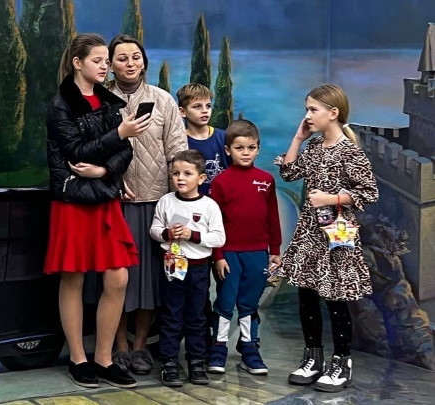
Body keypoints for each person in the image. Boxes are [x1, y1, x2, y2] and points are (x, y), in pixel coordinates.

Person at [44, 33, 148, 389]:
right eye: (98, 61)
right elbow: (75, 152)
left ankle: (104, 358)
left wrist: (104, 170)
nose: (106, 67)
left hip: (104, 196)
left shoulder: (108, 101)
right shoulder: (60, 104)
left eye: (106, 61)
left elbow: (125, 152)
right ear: (77, 62)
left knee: (118, 277)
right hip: (73, 201)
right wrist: (119, 133)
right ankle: (78, 357)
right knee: (72, 276)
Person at [277, 84, 378, 392]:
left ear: (333, 113)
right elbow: (289, 173)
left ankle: (341, 362)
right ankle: (313, 357)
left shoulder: (350, 151)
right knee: (306, 295)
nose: (308, 115)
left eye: (313, 110)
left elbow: (369, 192)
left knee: (335, 299)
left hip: (336, 236)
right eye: (306, 109)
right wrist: (298, 139)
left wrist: (331, 199)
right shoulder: (314, 146)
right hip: (310, 234)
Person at [102, 34, 188, 376]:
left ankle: (140, 346)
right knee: (116, 278)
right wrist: (110, 181)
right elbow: (93, 147)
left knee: (149, 279)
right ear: (110, 64)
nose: (130, 63)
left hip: (155, 203)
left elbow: (177, 151)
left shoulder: (162, 99)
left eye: (135, 57)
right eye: (121, 58)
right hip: (114, 202)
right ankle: (118, 346)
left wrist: (176, 199)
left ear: (144, 61)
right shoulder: (100, 99)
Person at [207, 119, 282, 376]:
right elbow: (213, 223)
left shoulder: (266, 180)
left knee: (249, 303)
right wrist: (218, 255)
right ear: (228, 150)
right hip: (228, 254)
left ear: (258, 149)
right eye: (239, 148)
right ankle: (218, 348)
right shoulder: (221, 182)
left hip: (258, 254)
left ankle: (250, 349)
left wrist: (275, 250)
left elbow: (272, 217)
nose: (246, 153)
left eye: (251, 148)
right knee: (226, 302)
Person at [149, 149, 225, 387]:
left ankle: (196, 362)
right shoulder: (166, 201)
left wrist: (193, 235)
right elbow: (154, 230)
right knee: (171, 315)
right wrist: (166, 233)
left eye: (187, 173)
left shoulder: (209, 206)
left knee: (197, 316)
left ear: (201, 178)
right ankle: (169, 363)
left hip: (199, 269)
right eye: (176, 173)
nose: (180, 178)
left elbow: (219, 238)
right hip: (172, 266)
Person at [177, 83, 229, 196]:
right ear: (182, 112)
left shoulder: (224, 137)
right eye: (197, 106)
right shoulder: (179, 141)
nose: (205, 111)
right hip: (192, 202)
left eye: (208, 106)